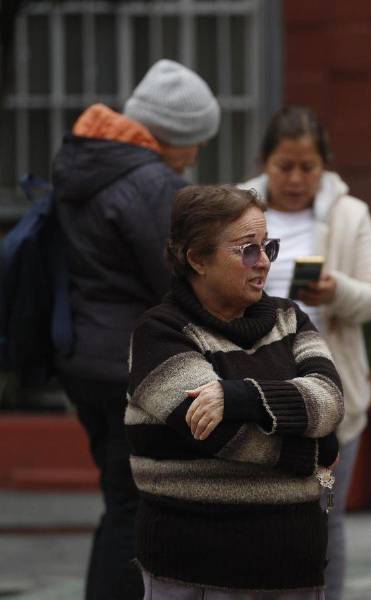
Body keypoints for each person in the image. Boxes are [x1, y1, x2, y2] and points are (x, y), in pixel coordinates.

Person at [51, 59, 220, 600]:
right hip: (133, 364)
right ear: (169, 135)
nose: (196, 154)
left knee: (121, 498)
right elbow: (180, 278)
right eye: (193, 141)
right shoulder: (150, 184)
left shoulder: (87, 163)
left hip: (84, 354)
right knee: (139, 504)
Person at [126, 184, 343, 598]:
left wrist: (240, 397)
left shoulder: (290, 319)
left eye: (268, 247)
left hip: (295, 567)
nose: (264, 263)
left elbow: (329, 402)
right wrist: (314, 451)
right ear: (197, 259)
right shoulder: (159, 333)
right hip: (196, 569)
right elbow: (219, 434)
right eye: (247, 250)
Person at [239, 105, 371, 600]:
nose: (297, 178)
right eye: (285, 166)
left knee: (326, 514)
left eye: (309, 167)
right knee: (257, 513)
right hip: (254, 383)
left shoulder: (350, 215)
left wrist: (336, 291)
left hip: (332, 386)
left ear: (325, 166)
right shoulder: (237, 210)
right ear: (265, 162)